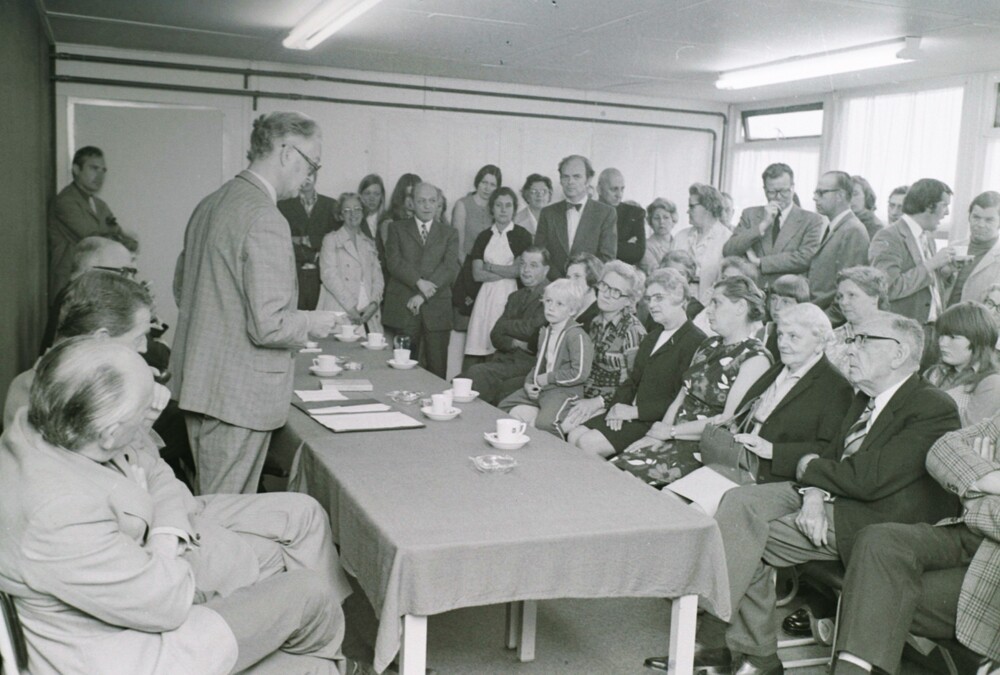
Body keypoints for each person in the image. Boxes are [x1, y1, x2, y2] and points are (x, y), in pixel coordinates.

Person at [0, 338, 351, 675]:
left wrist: (155, 523)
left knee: (300, 597)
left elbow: (153, 473)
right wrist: (162, 538)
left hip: (135, 599)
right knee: (310, 599)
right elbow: (166, 603)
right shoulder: (58, 512)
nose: (148, 422)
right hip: (126, 651)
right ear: (109, 433)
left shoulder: (53, 419)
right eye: (143, 414)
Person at [679, 311, 960, 675]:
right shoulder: (864, 398)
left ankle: (732, 646)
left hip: (875, 519)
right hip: (830, 496)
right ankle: (741, 650)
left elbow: (869, 480)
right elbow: (830, 457)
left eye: (863, 341)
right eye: (852, 339)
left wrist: (808, 468)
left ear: (899, 353)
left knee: (745, 535)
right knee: (738, 503)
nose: (850, 349)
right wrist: (813, 492)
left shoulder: (932, 406)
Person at [171, 111, 343, 495]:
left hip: (200, 383)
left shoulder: (211, 203)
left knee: (210, 500)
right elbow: (269, 325)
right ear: (287, 152)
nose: (310, 177)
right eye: (312, 164)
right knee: (227, 513)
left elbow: (183, 290)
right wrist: (313, 322)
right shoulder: (266, 218)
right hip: (238, 396)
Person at [830, 413, 1000, 675]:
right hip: (966, 535)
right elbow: (942, 449)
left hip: (994, 569)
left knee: (878, 591)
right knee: (878, 541)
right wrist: (989, 479)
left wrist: (974, 496)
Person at [610, 276, 772, 487]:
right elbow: (682, 396)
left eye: (717, 303)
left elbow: (727, 421)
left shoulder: (755, 358)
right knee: (613, 469)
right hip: (672, 436)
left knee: (627, 481)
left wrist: (671, 432)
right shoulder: (709, 344)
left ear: (741, 307)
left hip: (703, 448)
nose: (709, 310)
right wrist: (657, 434)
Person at [567, 268, 705, 457]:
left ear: (680, 298)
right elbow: (632, 381)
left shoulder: (695, 341)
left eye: (659, 298)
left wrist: (634, 412)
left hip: (655, 421)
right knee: (574, 435)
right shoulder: (653, 336)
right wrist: (617, 408)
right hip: (631, 412)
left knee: (587, 442)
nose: (652, 305)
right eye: (649, 299)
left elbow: (680, 399)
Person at [728, 303, 854, 484]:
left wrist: (772, 451)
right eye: (780, 335)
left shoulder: (836, 388)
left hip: (773, 477)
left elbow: (829, 450)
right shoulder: (780, 367)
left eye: (793, 336)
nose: (782, 344)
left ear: (820, 343)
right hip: (737, 461)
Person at [557, 261, 647, 436]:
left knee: (561, 428)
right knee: (542, 417)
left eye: (616, 292)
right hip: (583, 394)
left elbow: (634, 384)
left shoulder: (633, 332)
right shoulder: (596, 322)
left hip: (611, 403)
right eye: (605, 286)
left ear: (628, 301)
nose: (606, 294)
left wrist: (598, 402)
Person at [498, 279, 594, 437]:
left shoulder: (576, 336)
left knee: (545, 423)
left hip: (565, 391)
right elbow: (539, 365)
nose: (551, 307)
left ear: (571, 311)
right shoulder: (546, 331)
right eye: (548, 301)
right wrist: (529, 383)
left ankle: (556, 451)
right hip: (544, 388)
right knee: (503, 407)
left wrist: (548, 378)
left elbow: (580, 374)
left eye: (559, 304)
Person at [383, 182, 460, 378]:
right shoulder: (396, 228)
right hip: (405, 308)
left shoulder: (450, 233)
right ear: (412, 203)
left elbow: (449, 268)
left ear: (438, 203)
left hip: (437, 309)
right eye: (421, 201)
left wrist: (422, 296)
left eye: (432, 201)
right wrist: (419, 282)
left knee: (437, 370)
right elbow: (394, 263)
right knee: (403, 370)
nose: (427, 206)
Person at [459, 247, 550, 405]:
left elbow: (531, 331)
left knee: (474, 376)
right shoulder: (515, 296)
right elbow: (495, 335)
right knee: (460, 381)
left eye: (533, 265)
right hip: (505, 359)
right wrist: (515, 342)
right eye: (522, 264)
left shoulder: (551, 296)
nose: (526, 270)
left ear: (546, 270)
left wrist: (505, 326)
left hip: (530, 364)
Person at [47, 146, 129, 304]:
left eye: (103, 170)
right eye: (94, 168)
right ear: (76, 169)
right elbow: (92, 240)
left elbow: (125, 239)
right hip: (71, 289)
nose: (100, 175)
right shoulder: (65, 202)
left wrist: (121, 239)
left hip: (97, 287)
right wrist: (117, 239)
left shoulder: (100, 205)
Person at [869, 177, 957, 324]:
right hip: (901, 330)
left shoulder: (927, 237)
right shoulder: (889, 236)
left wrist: (944, 273)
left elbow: (926, 288)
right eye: (944, 205)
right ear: (929, 206)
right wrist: (930, 264)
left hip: (930, 329)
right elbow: (887, 289)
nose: (947, 212)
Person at [723, 163, 825, 286]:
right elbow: (729, 250)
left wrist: (761, 262)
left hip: (786, 292)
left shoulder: (812, 220)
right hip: (752, 290)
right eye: (772, 192)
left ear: (793, 187)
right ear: (764, 190)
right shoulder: (750, 214)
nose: (778, 197)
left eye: (784, 191)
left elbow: (805, 258)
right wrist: (762, 225)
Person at [463, 187, 532, 363]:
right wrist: (506, 270)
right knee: (480, 343)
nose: (503, 209)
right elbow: (477, 274)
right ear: (492, 209)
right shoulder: (483, 236)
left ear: (514, 209)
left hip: (511, 295)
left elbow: (518, 271)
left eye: (508, 205)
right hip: (485, 297)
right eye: (499, 205)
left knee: (503, 343)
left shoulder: (522, 235)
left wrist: (490, 267)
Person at [534, 154, 617, 277]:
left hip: (588, 283)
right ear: (560, 180)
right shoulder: (547, 213)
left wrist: (579, 278)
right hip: (554, 283)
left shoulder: (606, 213)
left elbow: (607, 257)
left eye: (576, 176)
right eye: (565, 176)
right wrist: (559, 281)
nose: (570, 182)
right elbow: (540, 255)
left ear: (588, 180)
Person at [923, 302, 1000, 428]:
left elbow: (968, 432)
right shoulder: (933, 373)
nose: (942, 343)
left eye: (953, 337)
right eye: (941, 335)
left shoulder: (991, 383)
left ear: (978, 340)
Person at [317, 192, 384, 333]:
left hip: (367, 313)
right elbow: (329, 276)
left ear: (363, 212)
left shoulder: (368, 243)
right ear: (340, 215)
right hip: (341, 308)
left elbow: (378, 278)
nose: (353, 213)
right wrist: (351, 308)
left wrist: (373, 304)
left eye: (357, 209)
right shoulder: (331, 240)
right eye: (347, 210)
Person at [277, 171, 340, 311]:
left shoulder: (331, 205)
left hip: (322, 276)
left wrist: (306, 240)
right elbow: (280, 241)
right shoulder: (283, 206)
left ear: (316, 176)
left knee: (321, 318)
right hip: (293, 275)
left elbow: (337, 239)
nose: (306, 179)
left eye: (310, 174)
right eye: (302, 174)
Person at [808, 171, 871, 310]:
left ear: (840, 195)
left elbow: (850, 289)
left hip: (830, 317)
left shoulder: (853, 230)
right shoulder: (836, 226)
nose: (815, 198)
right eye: (815, 192)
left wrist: (827, 319)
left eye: (821, 193)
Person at [825, 266, 889, 377]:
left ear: (874, 298)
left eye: (851, 295)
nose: (843, 302)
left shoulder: (894, 337)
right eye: (840, 296)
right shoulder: (831, 339)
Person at [673, 183, 732, 304]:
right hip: (677, 303)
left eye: (692, 206)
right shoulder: (680, 237)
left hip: (711, 306)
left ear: (708, 207)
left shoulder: (727, 239)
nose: (687, 211)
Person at [949, 191, 1000, 307]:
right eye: (976, 217)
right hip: (943, 316)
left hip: (979, 318)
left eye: (989, 220)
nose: (980, 224)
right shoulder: (953, 247)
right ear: (969, 217)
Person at [597, 167, 646, 265]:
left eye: (622, 189)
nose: (619, 195)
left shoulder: (634, 213)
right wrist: (624, 245)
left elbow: (637, 253)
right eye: (614, 189)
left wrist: (600, 245)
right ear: (599, 189)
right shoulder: (588, 212)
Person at [453, 164, 502, 259]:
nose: (487, 188)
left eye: (492, 185)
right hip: (465, 261)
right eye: (484, 182)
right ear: (477, 182)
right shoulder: (462, 204)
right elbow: (457, 245)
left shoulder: (497, 207)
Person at [760, 275, 810, 362]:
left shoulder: (806, 339)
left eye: (785, 301)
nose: (777, 307)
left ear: (801, 306)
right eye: (774, 299)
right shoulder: (764, 333)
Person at [565, 251, 603, 332]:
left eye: (577, 276)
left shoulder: (597, 319)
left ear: (592, 279)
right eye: (568, 277)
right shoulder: (565, 311)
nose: (570, 282)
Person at [640, 198, 678, 274]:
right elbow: (656, 273)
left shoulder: (680, 242)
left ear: (673, 220)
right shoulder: (645, 247)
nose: (661, 222)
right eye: (656, 218)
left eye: (666, 217)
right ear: (650, 222)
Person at [850, 174, 885, 239]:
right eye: (847, 195)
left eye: (855, 194)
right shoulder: (849, 220)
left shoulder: (875, 226)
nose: (850, 199)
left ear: (866, 195)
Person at [358, 173, 387, 242]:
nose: (372, 198)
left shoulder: (388, 219)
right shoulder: (356, 219)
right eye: (367, 193)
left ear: (381, 197)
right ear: (360, 196)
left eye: (376, 194)